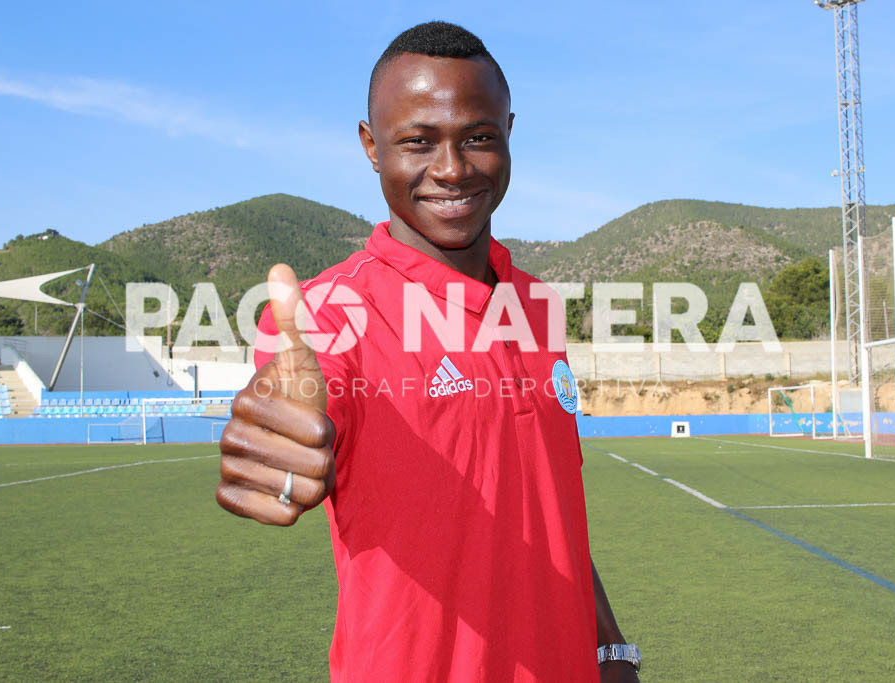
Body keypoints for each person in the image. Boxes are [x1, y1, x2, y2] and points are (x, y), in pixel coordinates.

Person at [216, 21, 641, 682]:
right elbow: (297, 404)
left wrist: (608, 645)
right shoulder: (326, 315)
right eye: (418, 141)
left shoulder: (538, 305)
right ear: (371, 145)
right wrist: (280, 442)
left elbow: (547, 511)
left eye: (478, 137)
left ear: (509, 133)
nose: (451, 169)